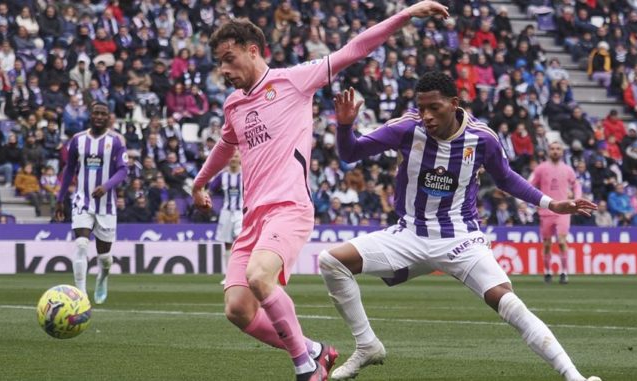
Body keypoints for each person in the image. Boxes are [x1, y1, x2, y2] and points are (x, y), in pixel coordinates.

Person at [190, 3, 450, 380]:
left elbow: (354, 49)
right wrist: (200, 182)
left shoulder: (294, 81)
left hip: (288, 208)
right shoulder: (233, 105)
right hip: (253, 217)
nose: (224, 71)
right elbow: (224, 146)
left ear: (252, 50)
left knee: (261, 278)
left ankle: (306, 367)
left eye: (229, 60)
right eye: (219, 63)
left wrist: (407, 14)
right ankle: (316, 350)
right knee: (238, 309)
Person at [319, 73, 600, 381]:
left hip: (461, 238)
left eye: (434, 107)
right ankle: (367, 345)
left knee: (509, 303)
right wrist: (345, 126)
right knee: (331, 261)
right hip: (411, 233)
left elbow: (505, 178)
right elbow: (350, 153)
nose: (426, 115)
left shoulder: (482, 138)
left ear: (454, 104)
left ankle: (575, 377)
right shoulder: (407, 129)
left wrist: (550, 204)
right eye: (421, 107)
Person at [55, 101, 128, 304]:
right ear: (90, 115)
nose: (98, 116)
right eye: (95, 112)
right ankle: (80, 295)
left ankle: (103, 277)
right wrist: (60, 199)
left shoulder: (116, 140)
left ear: (108, 117)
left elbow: (123, 170)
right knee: (80, 244)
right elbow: (69, 170)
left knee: (104, 257)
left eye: (102, 113)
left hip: (106, 205)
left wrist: (106, 186)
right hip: (82, 201)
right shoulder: (77, 140)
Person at [530, 141, 582, 284]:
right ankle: (547, 272)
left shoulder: (568, 169)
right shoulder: (541, 169)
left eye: (558, 149)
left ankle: (564, 272)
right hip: (546, 210)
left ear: (562, 152)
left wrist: (577, 199)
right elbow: (529, 185)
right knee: (546, 243)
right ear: (548, 151)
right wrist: (529, 200)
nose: (555, 151)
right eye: (552, 149)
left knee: (561, 240)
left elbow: (576, 184)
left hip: (563, 211)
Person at [215, 152, 244, 285]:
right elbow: (210, 189)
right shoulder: (222, 175)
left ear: (240, 159)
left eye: (236, 156)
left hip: (241, 212)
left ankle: (241, 275)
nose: (233, 159)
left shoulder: (246, 174)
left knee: (240, 242)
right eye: (231, 156)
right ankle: (229, 276)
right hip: (226, 212)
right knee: (227, 243)